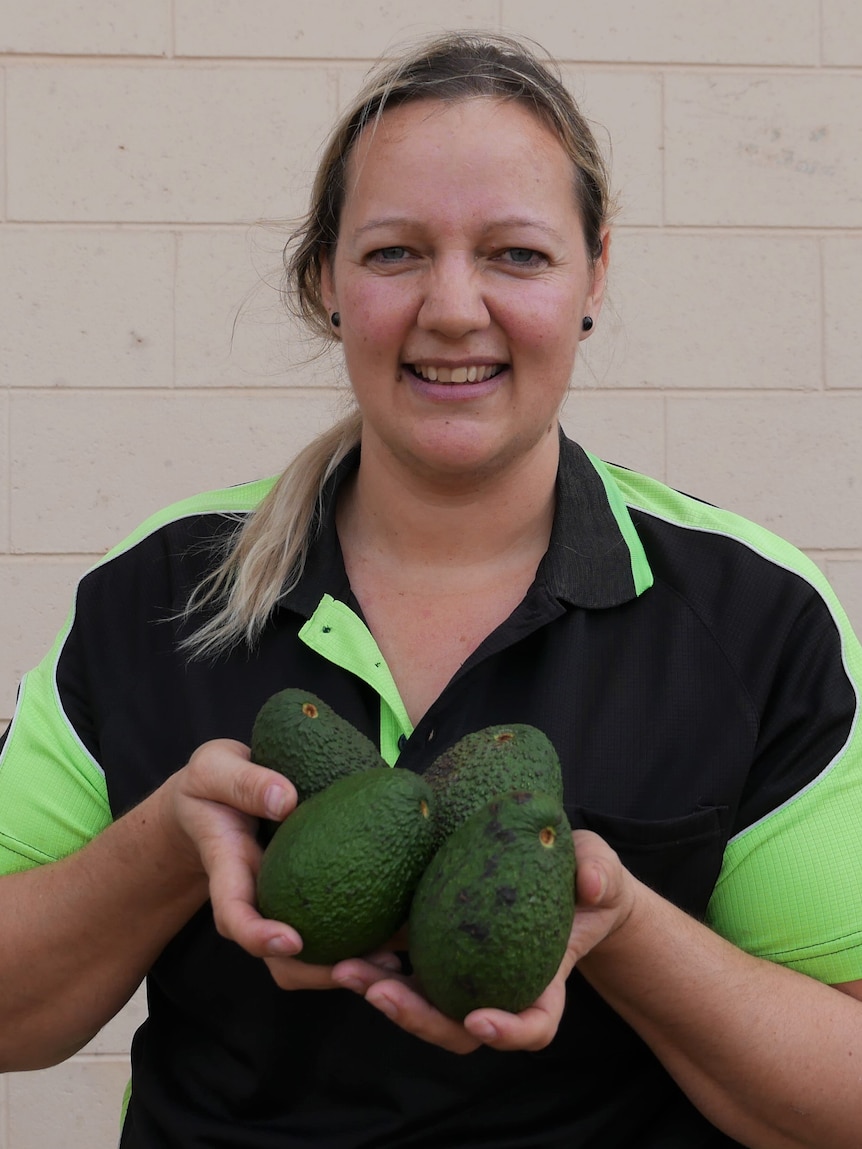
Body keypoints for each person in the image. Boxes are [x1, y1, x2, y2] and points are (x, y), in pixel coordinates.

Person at [1, 29, 861, 1149]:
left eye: (517, 255)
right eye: (396, 253)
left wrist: (623, 922)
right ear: (325, 279)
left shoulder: (754, 614)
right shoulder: (156, 593)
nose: (453, 310)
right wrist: (166, 842)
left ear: (595, 273)